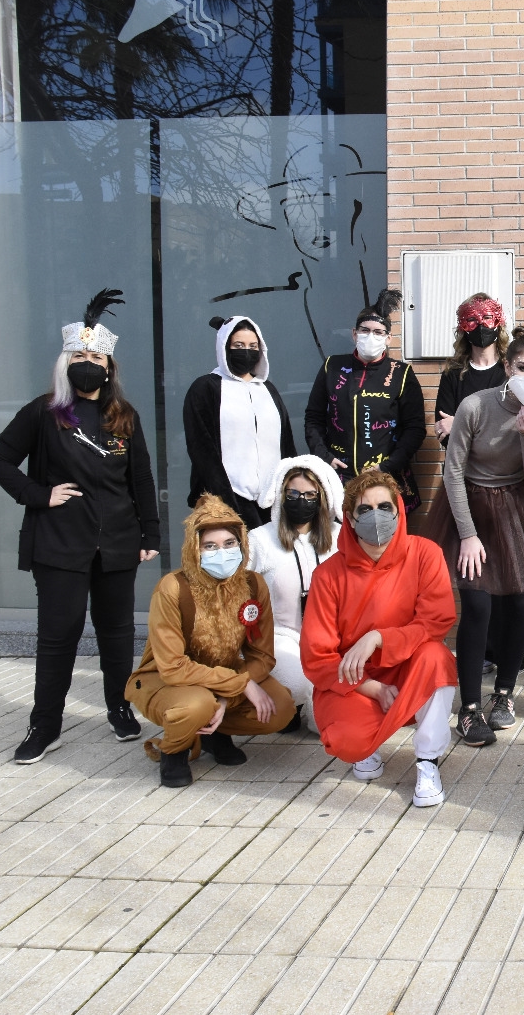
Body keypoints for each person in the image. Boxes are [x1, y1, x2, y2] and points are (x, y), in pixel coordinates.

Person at [0, 290, 161, 764]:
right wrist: (39, 495)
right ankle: (45, 725)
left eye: (97, 355)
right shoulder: (45, 412)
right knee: (59, 633)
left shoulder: (123, 415)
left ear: (110, 365)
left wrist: (150, 534)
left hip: (118, 543)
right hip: (60, 542)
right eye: (79, 355)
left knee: (117, 632)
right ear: (66, 362)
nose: (88, 362)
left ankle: (119, 708)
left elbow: (140, 476)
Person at [424, 326, 524, 746]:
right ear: (507, 366)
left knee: (520, 600)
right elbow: (453, 471)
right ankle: (468, 709)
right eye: (523, 367)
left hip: (518, 505)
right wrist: (467, 534)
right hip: (470, 504)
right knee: (479, 605)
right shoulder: (474, 405)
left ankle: (504, 694)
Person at [301, 470, 460, 808]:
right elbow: (317, 656)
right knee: (347, 741)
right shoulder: (327, 575)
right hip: (353, 680)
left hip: (409, 667)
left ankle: (428, 761)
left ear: (399, 510)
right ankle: (367, 747)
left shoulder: (425, 554)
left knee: (438, 658)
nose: (377, 516)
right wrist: (372, 687)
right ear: (349, 518)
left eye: (384, 506)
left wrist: (378, 638)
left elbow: (436, 620)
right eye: (365, 509)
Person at [124, 494, 296, 788]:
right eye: (210, 546)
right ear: (195, 550)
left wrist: (227, 695)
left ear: (241, 543)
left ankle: (214, 735)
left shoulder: (253, 584)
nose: (223, 553)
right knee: (195, 705)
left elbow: (262, 656)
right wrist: (240, 684)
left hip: (223, 674)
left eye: (230, 544)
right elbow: (173, 667)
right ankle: (175, 751)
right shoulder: (172, 588)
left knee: (281, 708)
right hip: (167, 680)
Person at [304, 291, 428, 512]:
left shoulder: (401, 373)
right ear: (354, 333)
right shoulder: (332, 367)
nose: (371, 337)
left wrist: (387, 466)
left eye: (379, 332)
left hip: (386, 477)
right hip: (338, 477)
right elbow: (313, 418)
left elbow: (415, 428)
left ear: (388, 338)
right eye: (365, 330)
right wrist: (325, 457)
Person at [246, 455, 344, 734]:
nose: (301, 500)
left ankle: (313, 707)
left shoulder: (339, 538)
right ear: (281, 494)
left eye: (310, 494)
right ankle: (290, 697)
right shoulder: (260, 540)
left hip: (330, 638)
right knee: (299, 680)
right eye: (293, 493)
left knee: (331, 723)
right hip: (281, 638)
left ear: (321, 497)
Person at [181, 314, 297, 529]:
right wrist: (225, 500)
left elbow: (286, 444)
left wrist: (293, 490)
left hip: (272, 501)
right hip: (226, 499)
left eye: (253, 346)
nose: (247, 351)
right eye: (238, 345)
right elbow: (201, 449)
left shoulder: (268, 390)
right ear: (224, 347)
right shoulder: (206, 388)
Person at [434, 292, 509, 446]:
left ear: (498, 322)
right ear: (463, 326)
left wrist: (458, 424)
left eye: (487, 317)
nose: (480, 324)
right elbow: (444, 433)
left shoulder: (510, 370)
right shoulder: (452, 374)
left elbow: (510, 429)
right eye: (472, 319)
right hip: (462, 466)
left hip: (504, 466)